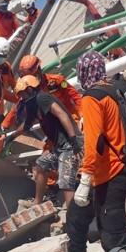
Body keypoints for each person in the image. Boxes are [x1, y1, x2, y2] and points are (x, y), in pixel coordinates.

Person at [58, 51, 126, 252]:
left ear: (84, 72)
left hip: (111, 174)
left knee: (113, 235)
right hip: (110, 173)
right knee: (77, 213)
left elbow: (94, 142)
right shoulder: (112, 91)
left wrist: (85, 178)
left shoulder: (93, 98)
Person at [11, 75, 83, 209]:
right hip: (59, 146)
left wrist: (73, 139)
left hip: (69, 144)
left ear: (31, 89)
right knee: (40, 165)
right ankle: (37, 203)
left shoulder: (42, 98)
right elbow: (27, 124)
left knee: (66, 182)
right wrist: (12, 136)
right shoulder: (32, 104)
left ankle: (72, 215)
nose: (22, 97)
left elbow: (62, 114)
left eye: (23, 93)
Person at [0, 54, 82, 131]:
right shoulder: (29, 91)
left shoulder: (56, 81)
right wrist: (4, 125)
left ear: (38, 70)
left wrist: (82, 115)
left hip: (70, 119)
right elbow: (17, 107)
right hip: (53, 127)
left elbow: (75, 96)